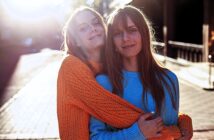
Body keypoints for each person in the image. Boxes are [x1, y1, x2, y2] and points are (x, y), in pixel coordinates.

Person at [57, 6, 193, 140]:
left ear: (144, 34)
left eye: (132, 30)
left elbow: (167, 121)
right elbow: (109, 115)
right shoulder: (84, 73)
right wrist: (162, 131)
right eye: (117, 33)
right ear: (112, 40)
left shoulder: (169, 79)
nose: (125, 38)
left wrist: (181, 121)